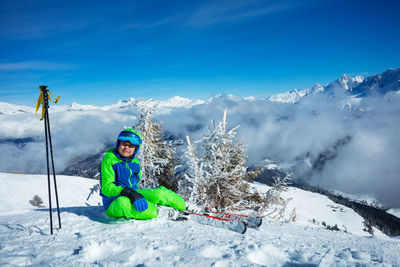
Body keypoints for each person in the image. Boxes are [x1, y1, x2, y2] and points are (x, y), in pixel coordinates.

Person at [100, 128, 186, 220]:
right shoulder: (109, 161)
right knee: (123, 203)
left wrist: (135, 195)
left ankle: (183, 206)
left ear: (136, 149)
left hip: (133, 194)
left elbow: (136, 181)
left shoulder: (135, 163)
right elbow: (106, 188)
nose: (126, 148)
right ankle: (159, 212)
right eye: (124, 144)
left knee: (159, 193)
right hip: (113, 202)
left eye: (131, 146)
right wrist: (128, 192)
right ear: (119, 144)